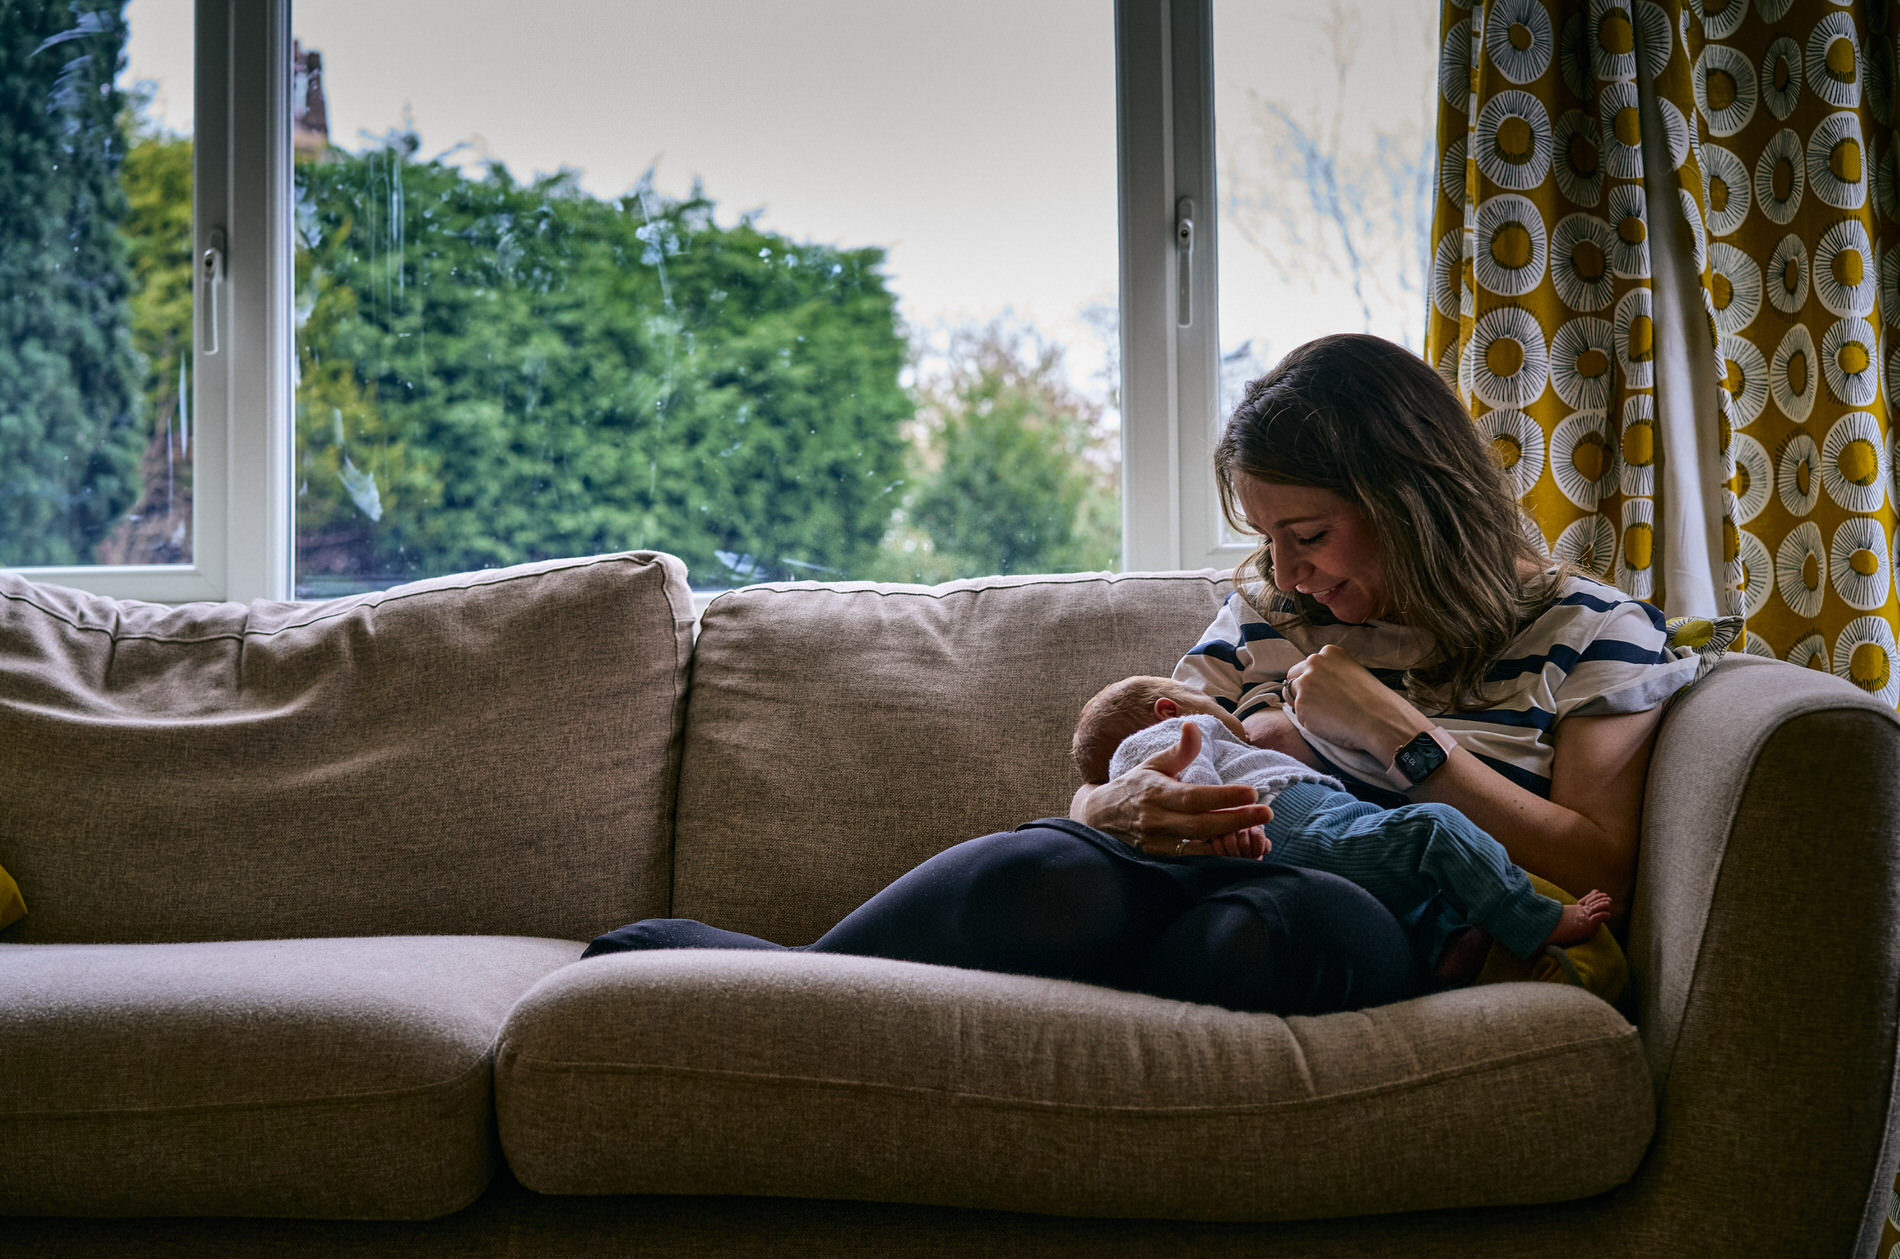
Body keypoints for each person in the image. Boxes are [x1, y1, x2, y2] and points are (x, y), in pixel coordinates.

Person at [585, 332, 1698, 1016]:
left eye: (1306, 531)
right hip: (1178, 872)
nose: (1283, 569)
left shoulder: (1591, 629)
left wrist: (1403, 737)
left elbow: (1599, 854)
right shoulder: (1268, 610)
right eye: (1266, 536)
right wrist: (1111, 802)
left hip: (1368, 909)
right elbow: (1146, 748)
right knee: (1049, 871)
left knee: (1260, 937)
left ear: (1408, 499)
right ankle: (767, 996)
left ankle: (764, 998)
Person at [1071, 674, 1612, 984]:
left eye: (1309, 534)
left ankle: (1445, 952)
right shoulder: (1175, 731)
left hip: (1286, 849)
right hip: (1294, 822)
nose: (1220, 707)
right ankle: (1530, 917)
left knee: (1416, 892)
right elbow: (1178, 777)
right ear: (1169, 708)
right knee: (1435, 829)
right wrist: (1217, 823)